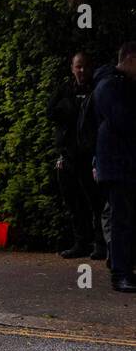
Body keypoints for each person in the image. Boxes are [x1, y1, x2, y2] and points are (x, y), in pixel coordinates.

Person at [47, 51, 106, 259]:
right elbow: (51, 112)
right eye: (78, 67)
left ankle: (100, 244)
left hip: (90, 156)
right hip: (69, 155)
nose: (81, 71)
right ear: (72, 68)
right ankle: (81, 242)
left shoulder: (97, 89)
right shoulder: (64, 90)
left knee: (96, 201)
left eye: (85, 67)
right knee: (73, 203)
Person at [91, 43, 136, 292]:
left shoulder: (114, 85)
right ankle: (121, 273)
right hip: (119, 165)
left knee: (125, 220)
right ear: (130, 59)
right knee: (121, 220)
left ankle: (124, 269)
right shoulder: (111, 86)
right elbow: (125, 121)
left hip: (120, 163)